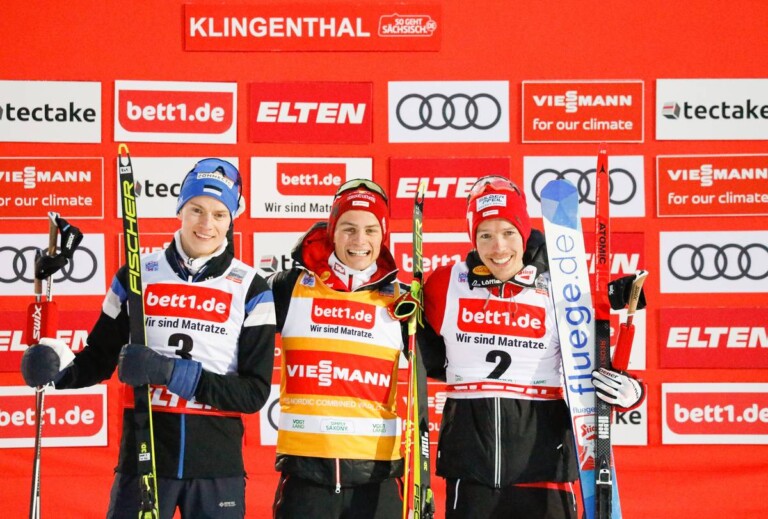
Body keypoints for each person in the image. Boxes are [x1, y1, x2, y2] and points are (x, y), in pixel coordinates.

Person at [20, 158, 276, 519]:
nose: (206, 224)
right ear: (180, 210)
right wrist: (57, 370)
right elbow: (98, 358)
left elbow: (253, 393)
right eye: (196, 210)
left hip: (216, 467)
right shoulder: (137, 276)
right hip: (143, 455)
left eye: (220, 214)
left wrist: (170, 371)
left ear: (233, 218)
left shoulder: (251, 288)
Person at [419, 175, 644, 519]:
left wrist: (632, 393)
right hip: (471, 472)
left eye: (509, 233)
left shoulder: (560, 290)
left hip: (544, 468)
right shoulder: (445, 284)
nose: (499, 248)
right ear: (472, 237)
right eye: (486, 235)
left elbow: (596, 368)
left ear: (524, 233)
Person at [268, 179, 411, 519]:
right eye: (348, 228)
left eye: (370, 230)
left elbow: (452, 360)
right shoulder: (288, 288)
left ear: (383, 236)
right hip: (305, 478)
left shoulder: (402, 300)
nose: (359, 241)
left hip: (377, 480)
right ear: (332, 232)